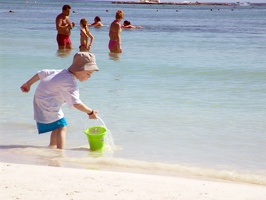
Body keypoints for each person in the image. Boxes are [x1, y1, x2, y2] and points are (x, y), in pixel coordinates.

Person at [20, 52, 99, 149]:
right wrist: (90, 112)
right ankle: (60, 151)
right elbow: (76, 104)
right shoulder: (70, 83)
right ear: (81, 69)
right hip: (47, 102)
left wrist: (28, 84)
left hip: (40, 99)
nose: (89, 77)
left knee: (57, 125)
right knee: (62, 126)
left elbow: (42, 73)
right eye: (88, 73)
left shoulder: (61, 72)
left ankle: (52, 147)